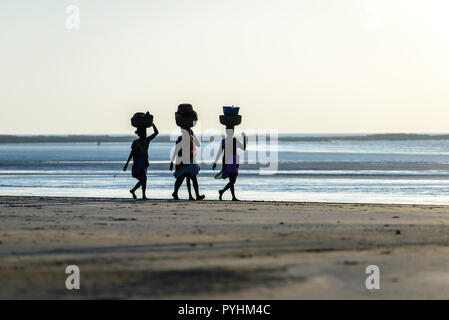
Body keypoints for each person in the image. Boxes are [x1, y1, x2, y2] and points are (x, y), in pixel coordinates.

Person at [123, 124, 159, 200]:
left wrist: (152, 124)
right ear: (139, 134)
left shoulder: (147, 140)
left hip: (144, 163)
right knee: (144, 178)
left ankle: (136, 192)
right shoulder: (135, 142)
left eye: (145, 133)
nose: (144, 134)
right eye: (143, 133)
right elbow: (132, 153)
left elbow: (156, 132)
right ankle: (141, 195)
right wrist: (126, 164)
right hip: (137, 164)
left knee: (144, 179)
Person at [170, 128, 205, 201]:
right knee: (181, 178)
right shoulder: (180, 139)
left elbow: (198, 145)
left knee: (191, 177)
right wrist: (172, 162)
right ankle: (176, 193)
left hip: (190, 161)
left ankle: (193, 195)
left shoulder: (191, 138)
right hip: (182, 161)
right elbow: (176, 150)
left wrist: (194, 135)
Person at [212, 129, 246, 201]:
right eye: (229, 132)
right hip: (228, 161)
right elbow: (220, 151)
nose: (230, 133)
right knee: (232, 180)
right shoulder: (224, 141)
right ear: (227, 132)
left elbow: (244, 148)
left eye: (231, 132)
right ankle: (229, 195)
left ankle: (224, 193)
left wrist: (244, 138)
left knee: (232, 180)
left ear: (233, 132)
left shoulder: (235, 140)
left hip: (235, 161)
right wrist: (215, 162)